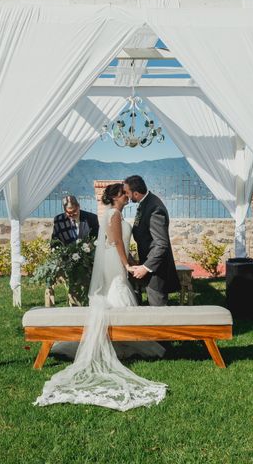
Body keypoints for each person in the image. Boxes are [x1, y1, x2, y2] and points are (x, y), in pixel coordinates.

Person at [35, 183, 166, 411]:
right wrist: (127, 264)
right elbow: (115, 243)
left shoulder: (110, 213)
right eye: (124, 194)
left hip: (114, 260)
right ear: (116, 196)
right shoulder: (113, 214)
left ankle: (121, 338)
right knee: (117, 291)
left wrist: (132, 262)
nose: (127, 197)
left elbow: (118, 243)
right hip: (114, 262)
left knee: (117, 292)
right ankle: (123, 337)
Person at [124, 175, 180, 306]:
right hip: (148, 263)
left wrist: (146, 267)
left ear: (136, 193)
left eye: (127, 192)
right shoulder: (145, 202)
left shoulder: (155, 209)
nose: (126, 195)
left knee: (158, 308)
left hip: (157, 270)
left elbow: (161, 244)